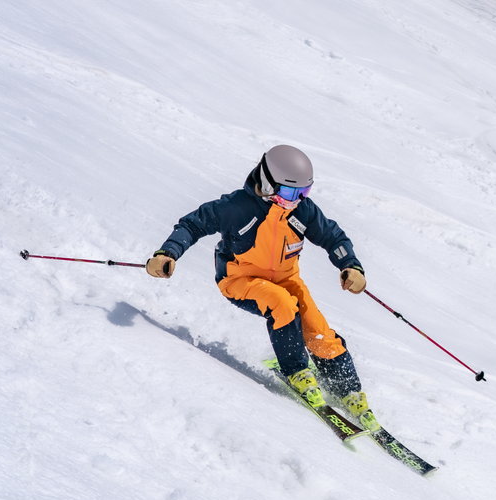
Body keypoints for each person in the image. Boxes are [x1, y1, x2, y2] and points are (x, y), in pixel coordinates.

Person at [146, 144, 373, 424]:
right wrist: (167, 253)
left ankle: (348, 390)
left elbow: (334, 238)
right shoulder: (237, 207)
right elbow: (193, 224)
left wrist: (350, 265)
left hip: (286, 279)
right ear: (267, 182)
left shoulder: (302, 212)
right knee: (281, 304)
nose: (296, 200)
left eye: (304, 193)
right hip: (240, 280)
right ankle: (297, 372)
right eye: (291, 193)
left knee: (317, 327)